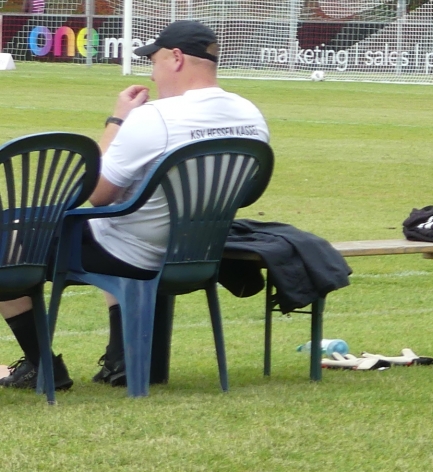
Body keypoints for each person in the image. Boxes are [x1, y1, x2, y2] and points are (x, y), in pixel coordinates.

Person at [0, 20, 268, 391]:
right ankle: (121, 359)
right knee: (115, 222)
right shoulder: (251, 114)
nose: (153, 76)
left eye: (154, 63)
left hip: (135, 254)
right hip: (199, 253)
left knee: (13, 242)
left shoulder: (154, 117)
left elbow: (97, 193)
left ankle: (42, 366)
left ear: (176, 58)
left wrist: (117, 120)